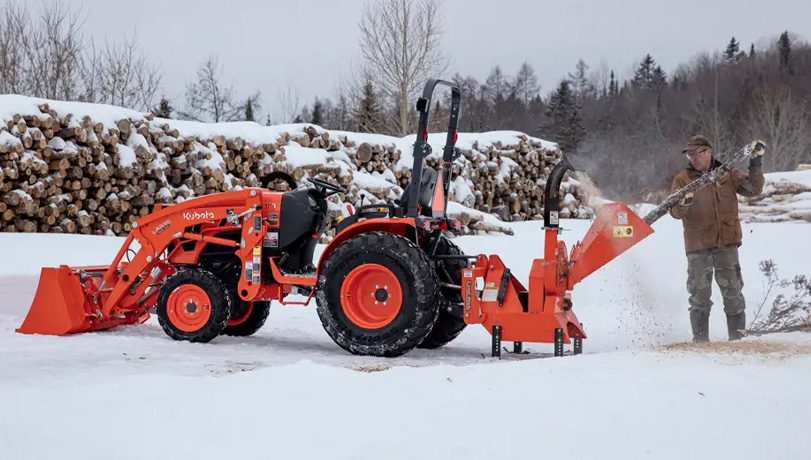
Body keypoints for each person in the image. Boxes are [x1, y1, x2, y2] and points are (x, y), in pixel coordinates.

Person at [669, 135, 765, 342]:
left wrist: (755, 163)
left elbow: (753, 189)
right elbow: (675, 212)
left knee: (733, 295)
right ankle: (700, 342)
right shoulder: (682, 180)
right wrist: (683, 203)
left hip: (727, 244)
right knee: (699, 297)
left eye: (697, 153)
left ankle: (737, 341)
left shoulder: (728, 173)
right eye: (689, 155)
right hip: (698, 247)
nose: (693, 158)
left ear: (708, 152)